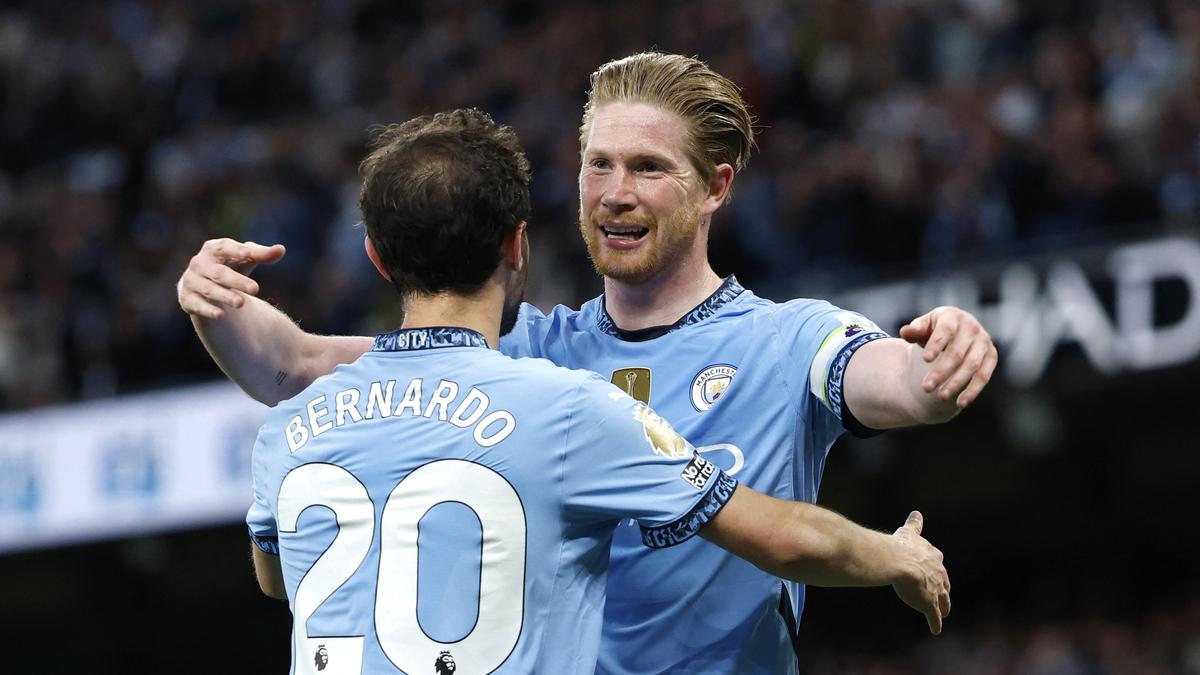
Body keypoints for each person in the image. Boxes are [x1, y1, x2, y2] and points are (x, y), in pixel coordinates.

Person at [180, 54, 994, 674]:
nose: (614, 192)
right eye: (598, 163)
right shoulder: (525, 360)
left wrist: (939, 360)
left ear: (715, 187)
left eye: (648, 167)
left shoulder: (787, 339)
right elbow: (293, 366)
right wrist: (213, 299)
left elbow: (894, 380)